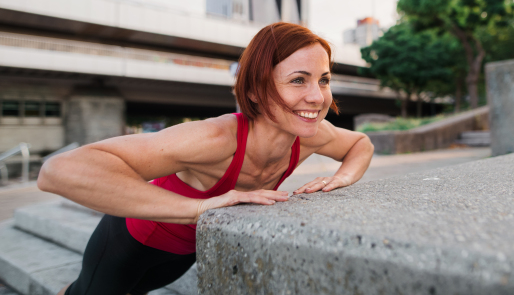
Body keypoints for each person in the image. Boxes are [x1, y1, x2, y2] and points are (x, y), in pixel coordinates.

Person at [38, 22, 374, 295]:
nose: (317, 97)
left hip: (182, 254)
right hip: (128, 244)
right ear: (256, 89)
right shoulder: (215, 139)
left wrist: (342, 178)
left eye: (324, 79)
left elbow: (360, 144)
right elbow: (57, 171)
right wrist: (200, 209)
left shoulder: (313, 135)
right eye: (298, 80)